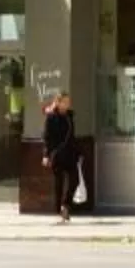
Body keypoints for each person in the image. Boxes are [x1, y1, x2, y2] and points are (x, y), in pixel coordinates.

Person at [42, 93, 83, 222]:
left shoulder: (69, 116)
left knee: (75, 180)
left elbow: (72, 136)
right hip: (57, 154)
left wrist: (78, 152)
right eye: (64, 102)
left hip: (70, 153)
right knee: (58, 183)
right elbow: (47, 137)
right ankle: (59, 209)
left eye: (68, 102)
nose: (67, 104)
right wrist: (46, 155)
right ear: (58, 102)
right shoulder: (51, 117)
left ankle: (65, 204)